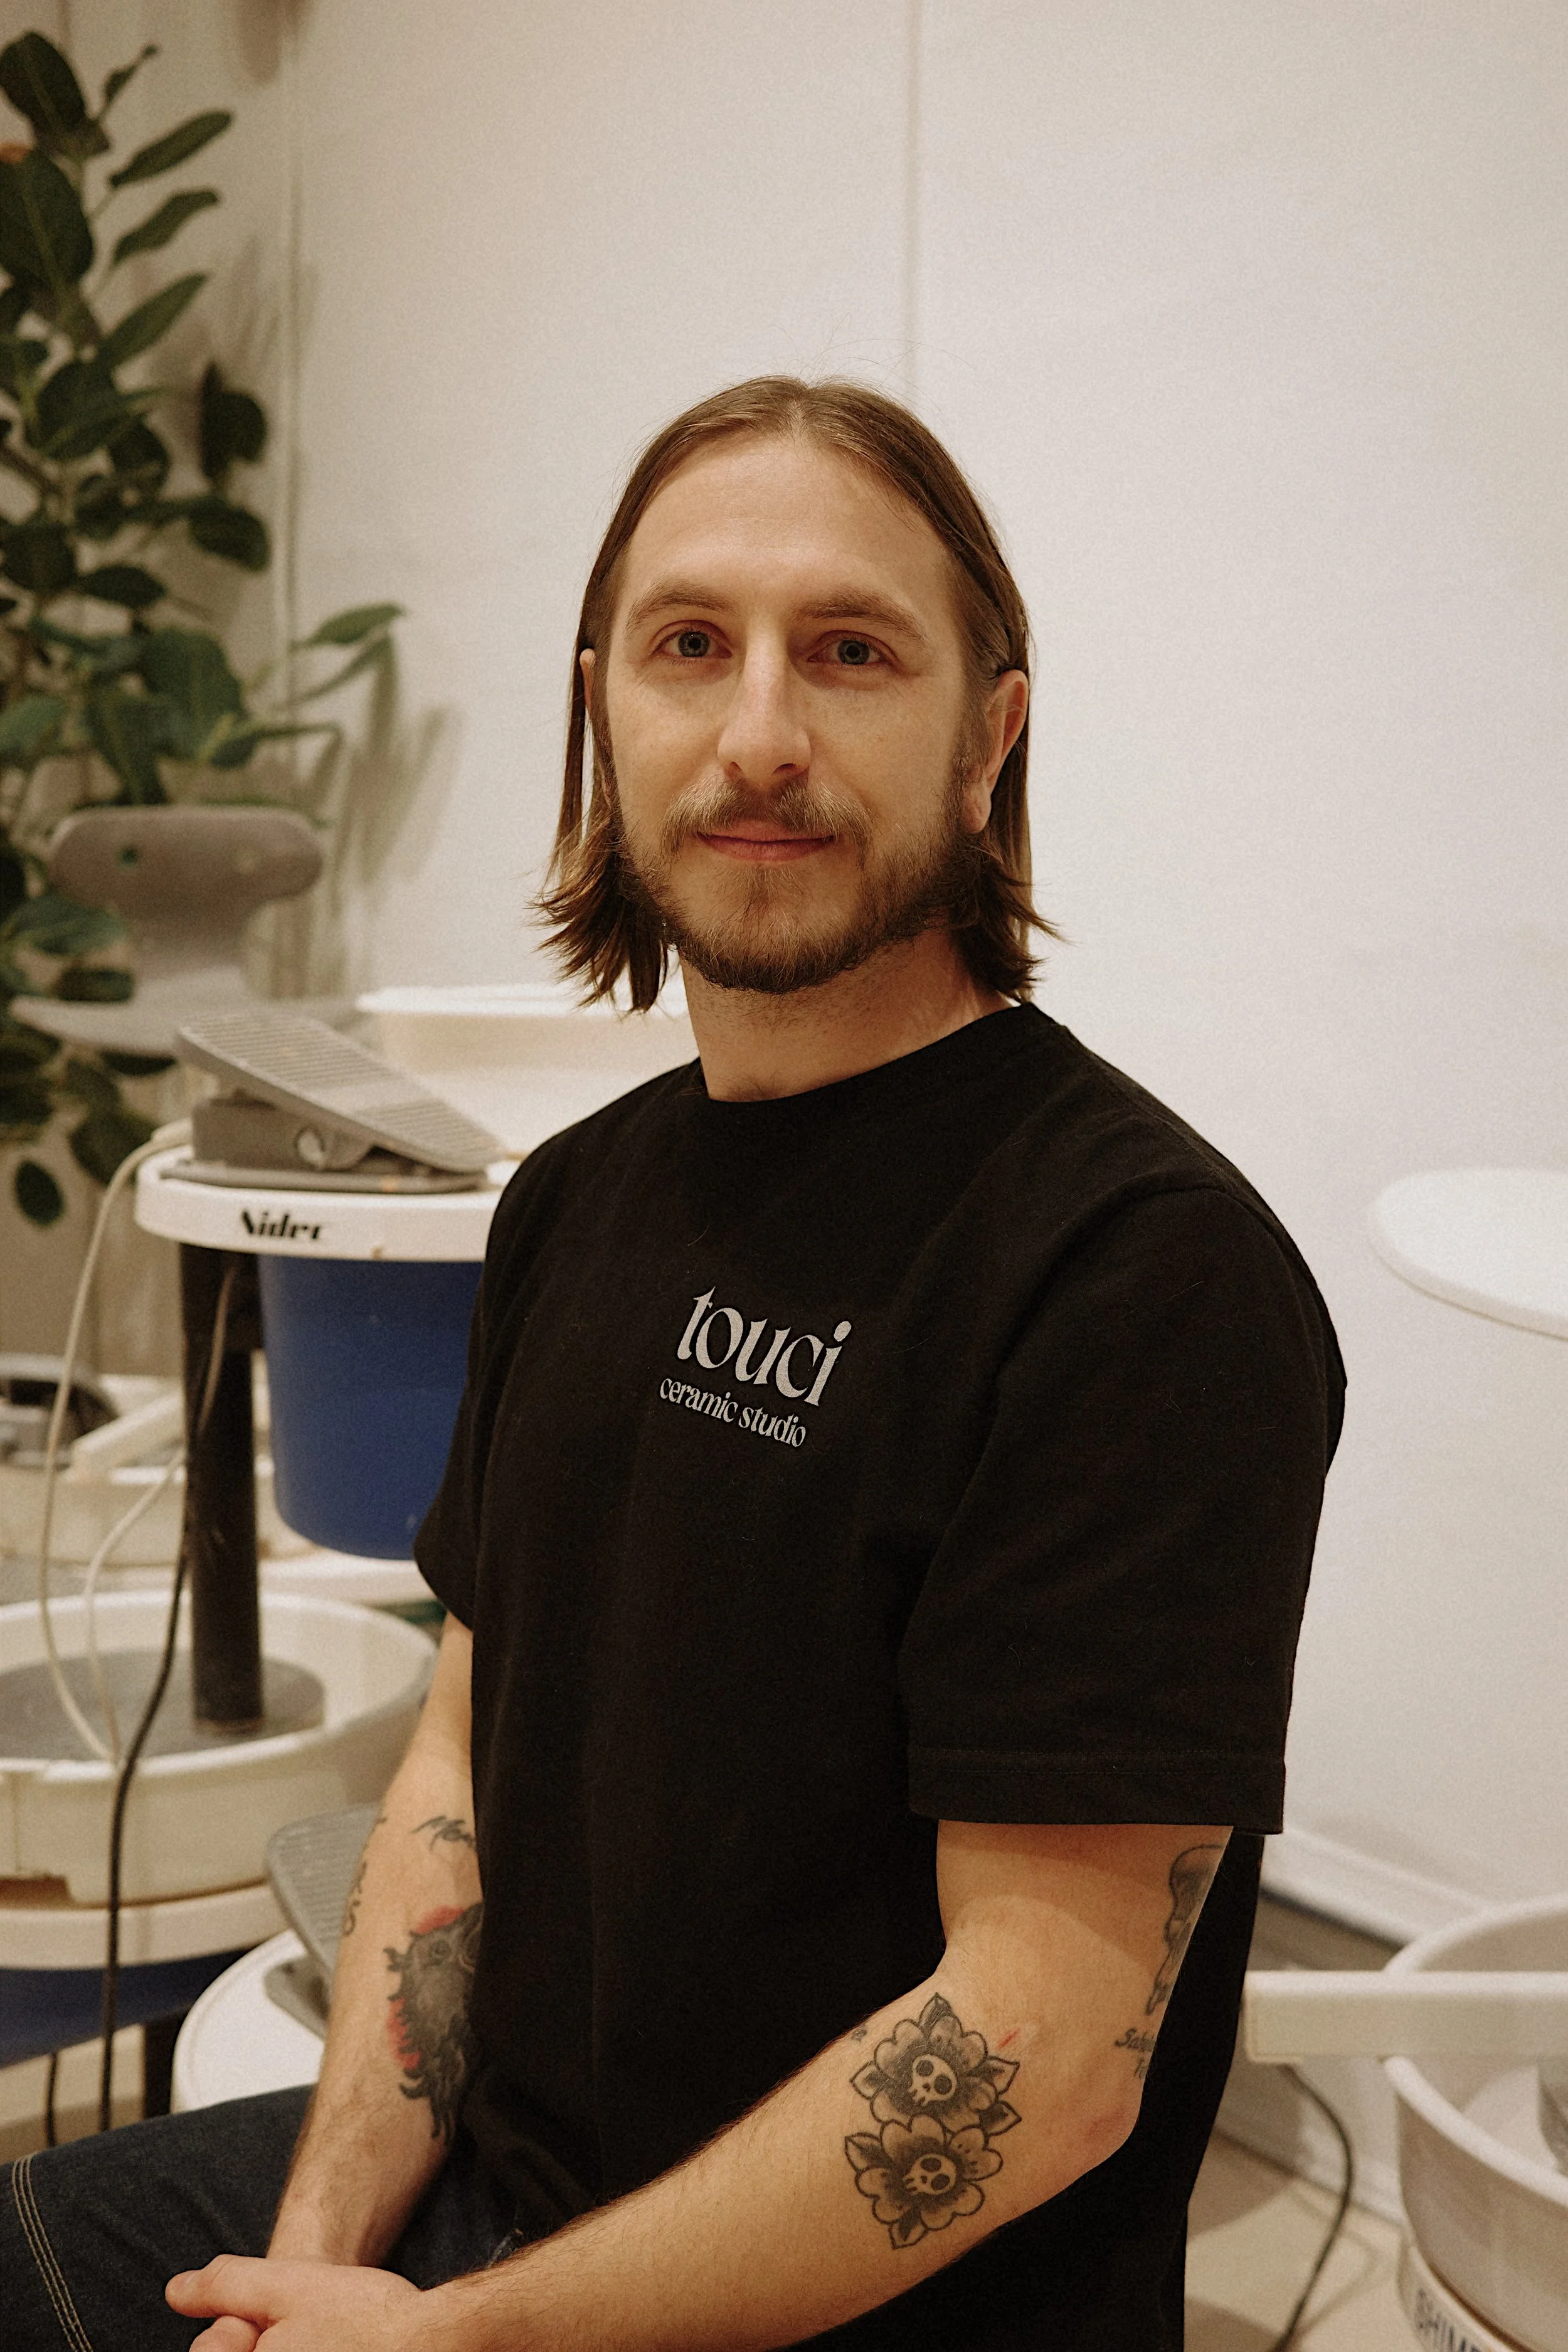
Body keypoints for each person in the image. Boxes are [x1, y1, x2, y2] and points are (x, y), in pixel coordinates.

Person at [4, 378, 1344, 2351]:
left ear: (990, 737)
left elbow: (1040, 2052)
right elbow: (463, 1765)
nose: (760, 736)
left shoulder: (1134, 1269)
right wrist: (326, 2257)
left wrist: (465, 2337)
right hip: (498, 2217)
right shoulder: (570, 1195)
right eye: (689, 645)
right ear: (601, 712)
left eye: (852, 652)